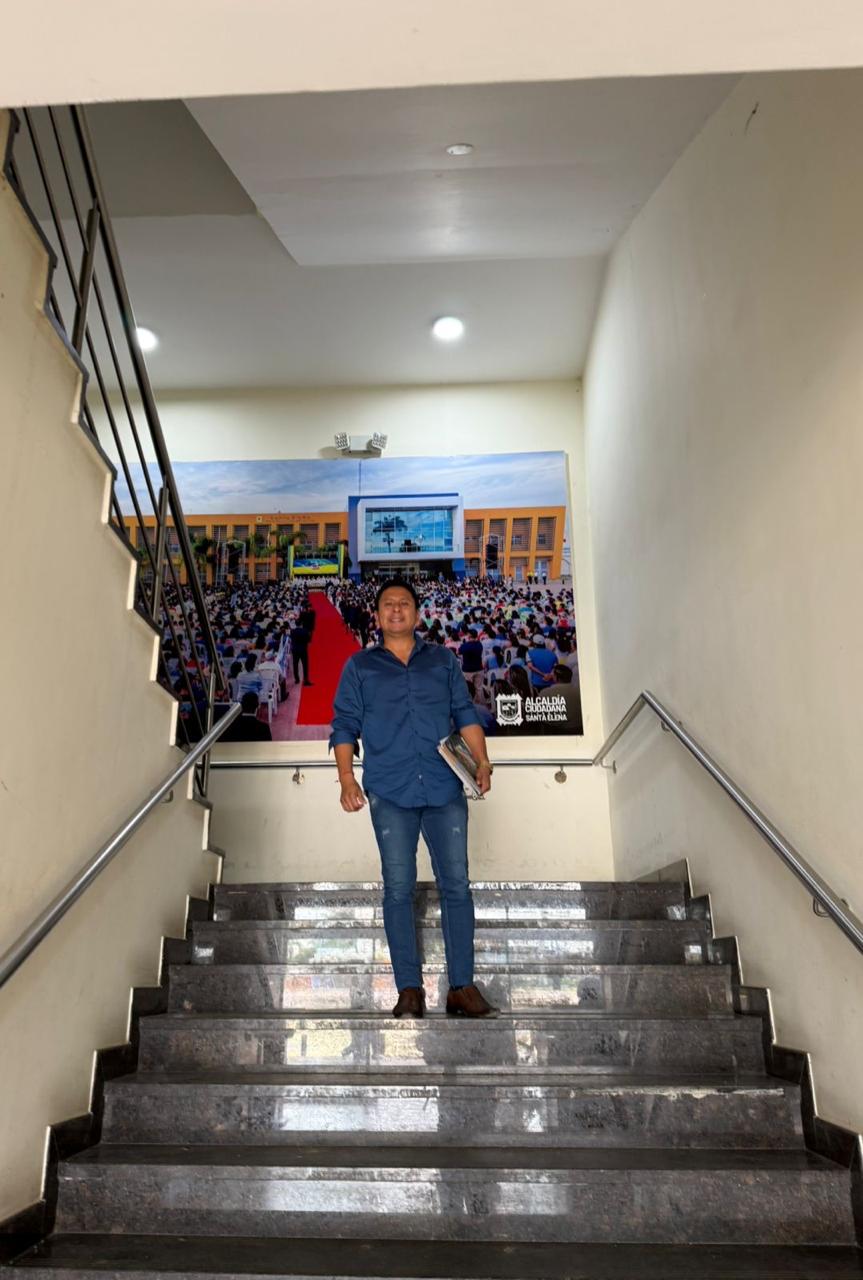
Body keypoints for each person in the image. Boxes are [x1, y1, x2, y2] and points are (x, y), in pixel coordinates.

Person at [330, 579, 496, 1020]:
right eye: (388, 604)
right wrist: (346, 779)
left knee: (456, 885)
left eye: (404, 603)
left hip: (444, 788)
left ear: (417, 614)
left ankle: (462, 987)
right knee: (398, 888)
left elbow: (464, 713)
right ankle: (409, 989)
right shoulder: (359, 666)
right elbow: (344, 725)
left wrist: (482, 760)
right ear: (378, 615)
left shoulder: (442, 660)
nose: (396, 610)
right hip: (389, 789)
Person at [537, 663, 584, 735]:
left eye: (552, 675)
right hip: (579, 729)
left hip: (556, 732)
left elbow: (539, 714)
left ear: (556, 678)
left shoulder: (545, 692)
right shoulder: (580, 691)